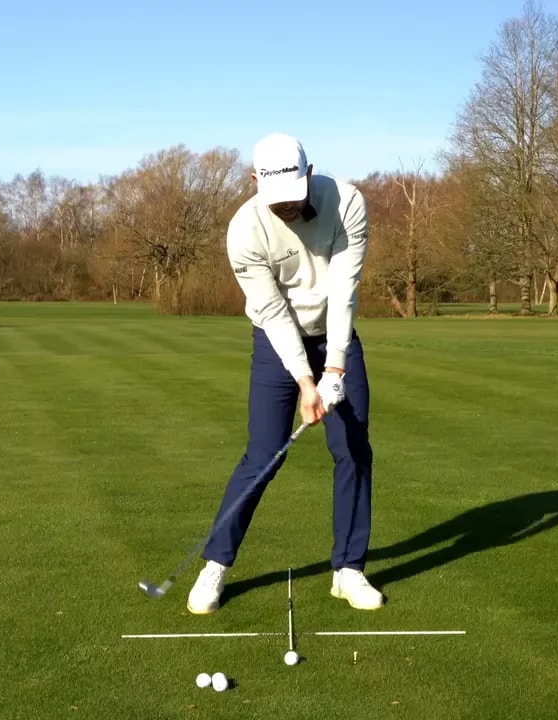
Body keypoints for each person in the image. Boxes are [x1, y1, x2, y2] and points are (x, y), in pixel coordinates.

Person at [185, 132, 384, 615]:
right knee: (264, 455)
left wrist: (334, 365)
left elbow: (344, 290)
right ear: (254, 182)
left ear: (309, 174)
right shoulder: (244, 231)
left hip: (336, 334)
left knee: (353, 447)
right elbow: (272, 313)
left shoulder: (347, 202)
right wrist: (305, 380)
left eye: (294, 196)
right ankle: (215, 565)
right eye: (276, 200)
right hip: (279, 342)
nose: (287, 208)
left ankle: (349, 571)